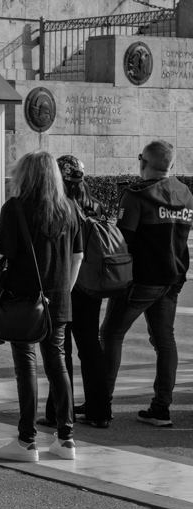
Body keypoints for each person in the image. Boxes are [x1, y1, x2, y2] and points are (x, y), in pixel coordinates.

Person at [0, 151, 84, 462]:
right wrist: (63, 291)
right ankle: (66, 439)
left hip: (24, 299)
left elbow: (3, 254)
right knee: (58, 365)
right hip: (58, 299)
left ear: (25, 175)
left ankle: (26, 441)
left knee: (25, 364)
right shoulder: (69, 208)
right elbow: (78, 256)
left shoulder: (15, 208)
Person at [100, 139, 193, 427]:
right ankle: (161, 408)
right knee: (165, 341)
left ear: (145, 163)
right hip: (173, 278)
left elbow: (121, 240)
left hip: (141, 279)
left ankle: (100, 402)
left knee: (112, 334)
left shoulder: (136, 195)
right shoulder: (185, 193)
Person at [39, 155, 113, 429]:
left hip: (66, 282)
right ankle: (99, 410)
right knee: (90, 345)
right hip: (92, 284)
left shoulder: (59, 207)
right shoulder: (95, 205)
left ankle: (58, 411)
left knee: (60, 349)